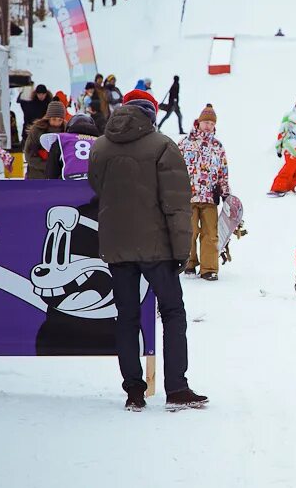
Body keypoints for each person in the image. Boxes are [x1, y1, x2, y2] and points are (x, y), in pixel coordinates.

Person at [88, 89, 208, 412]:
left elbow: (96, 186)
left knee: (126, 317)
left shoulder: (100, 147)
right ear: (152, 114)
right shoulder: (163, 146)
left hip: (116, 246)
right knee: (172, 312)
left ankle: (133, 392)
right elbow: (176, 206)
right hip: (156, 248)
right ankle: (177, 388)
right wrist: (182, 252)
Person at [178, 105, 230, 281]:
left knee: (210, 233)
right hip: (189, 196)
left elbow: (223, 171)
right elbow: (175, 169)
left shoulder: (218, 146)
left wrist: (225, 192)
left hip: (209, 197)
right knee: (189, 231)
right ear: (198, 123)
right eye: (205, 122)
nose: (208, 125)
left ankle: (209, 268)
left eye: (211, 123)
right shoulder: (185, 143)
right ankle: (189, 263)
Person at [43, 114, 101, 180]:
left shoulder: (61, 139)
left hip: (69, 184)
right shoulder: (99, 142)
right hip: (95, 184)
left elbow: (51, 170)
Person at [24, 100, 66, 179]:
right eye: (54, 119)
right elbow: (29, 154)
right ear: (48, 118)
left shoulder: (67, 131)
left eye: (60, 120)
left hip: (58, 177)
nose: (56, 123)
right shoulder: (37, 130)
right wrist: (49, 166)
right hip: (37, 175)